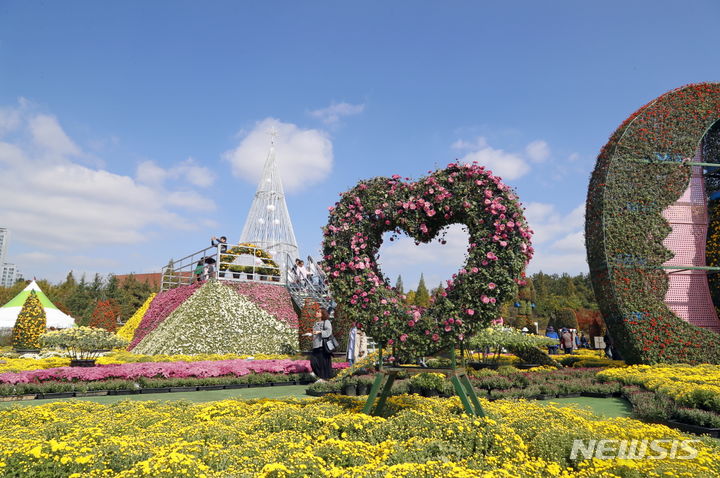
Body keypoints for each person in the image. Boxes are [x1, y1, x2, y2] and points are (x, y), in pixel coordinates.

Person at [310, 307, 334, 380]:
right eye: (317, 311)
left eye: (318, 312)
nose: (316, 313)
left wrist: (320, 332)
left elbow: (329, 332)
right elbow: (315, 333)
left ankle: (324, 378)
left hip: (323, 346)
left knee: (323, 364)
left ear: (322, 314)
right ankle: (321, 377)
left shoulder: (326, 322)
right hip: (316, 345)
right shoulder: (316, 323)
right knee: (313, 362)